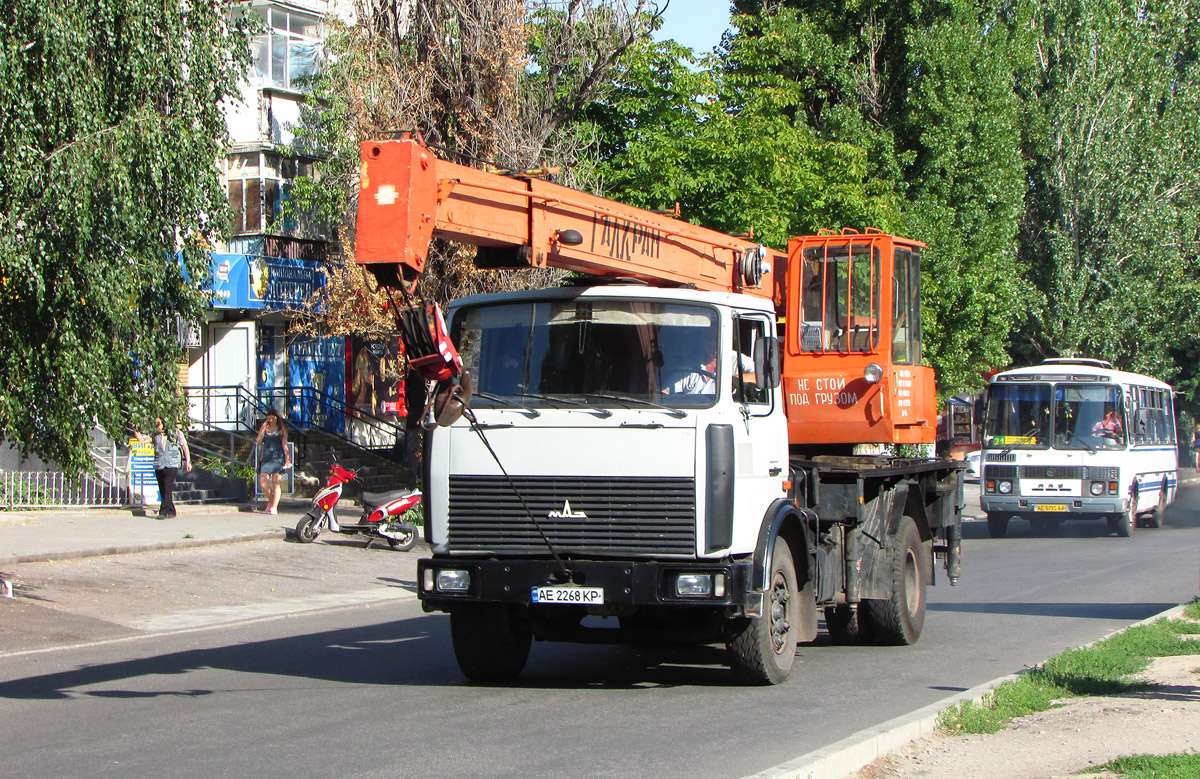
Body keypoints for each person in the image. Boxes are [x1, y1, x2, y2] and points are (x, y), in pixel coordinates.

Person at [137, 418, 190, 519]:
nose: (158, 427)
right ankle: (171, 511)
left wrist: (188, 461)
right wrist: (135, 429)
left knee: (167, 486)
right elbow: (141, 439)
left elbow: (184, 446)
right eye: (156, 424)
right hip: (159, 464)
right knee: (163, 488)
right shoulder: (155, 435)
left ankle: (163, 511)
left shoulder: (176, 433)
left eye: (159, 424)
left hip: (172, 464)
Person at [256, 408, 291, 514]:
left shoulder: (281, 429)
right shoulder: (265, 429)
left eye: (273, 418)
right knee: (263, 483)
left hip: (277, 458)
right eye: (269, 418)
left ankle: (274, 507)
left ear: (277, 418)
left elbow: (285, 445)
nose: (271, 420)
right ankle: (271, 501)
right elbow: (258, 442)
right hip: (266, 458)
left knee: (276, 483)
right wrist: (262, 429)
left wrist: (287, 459)